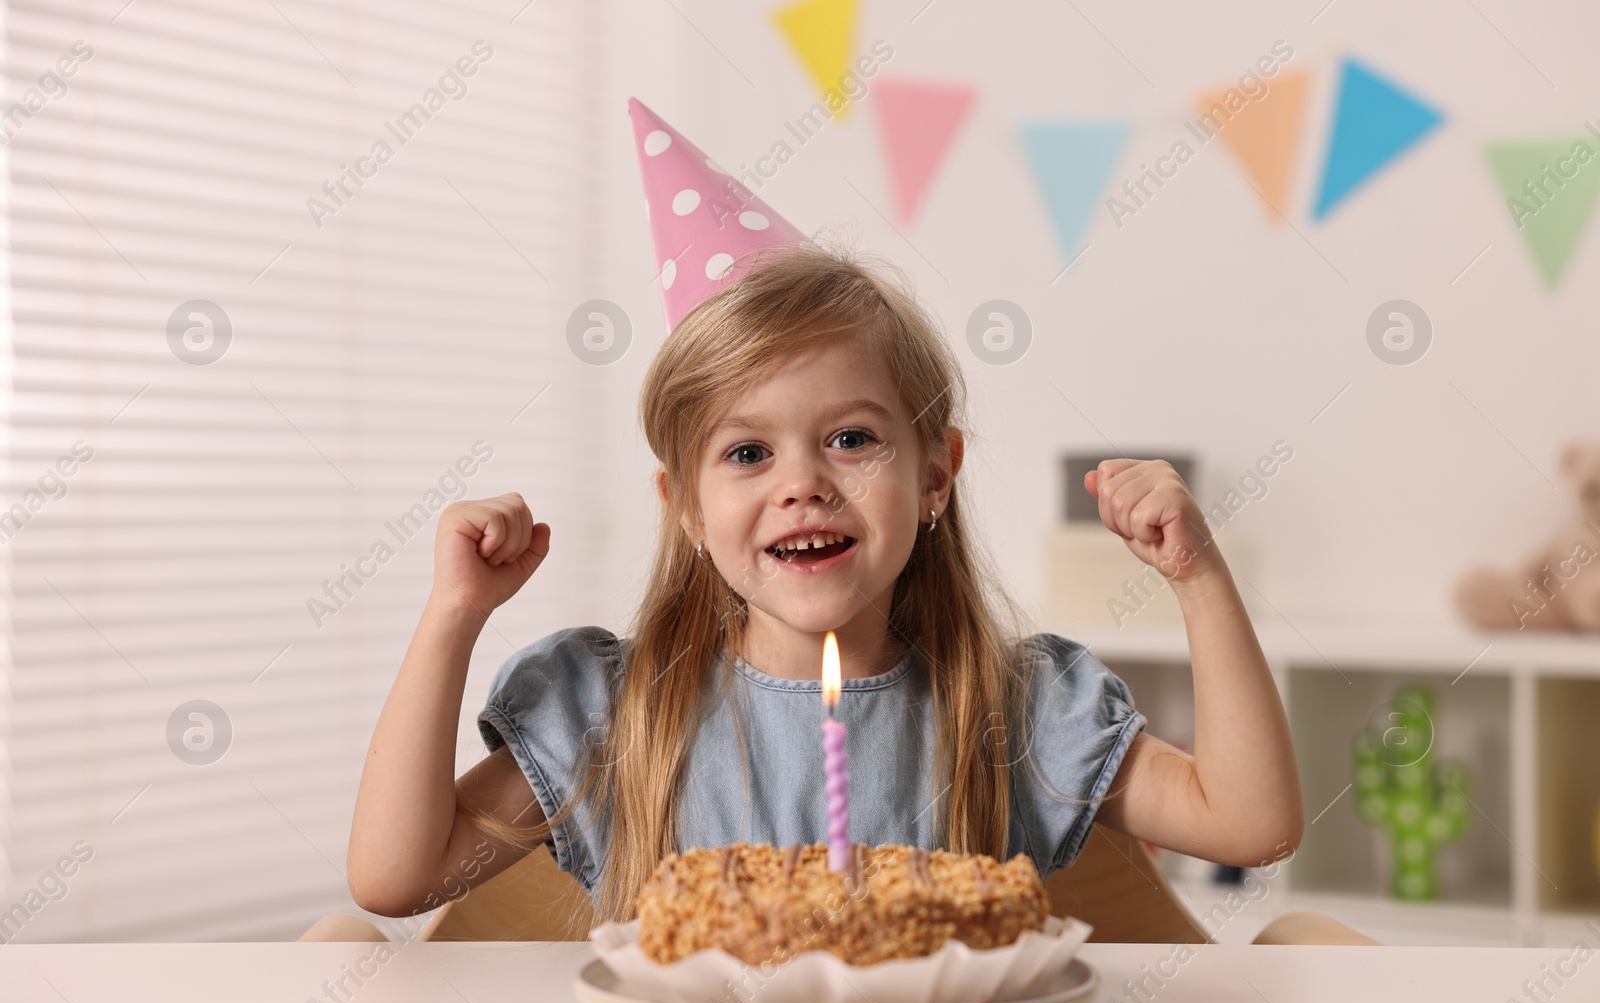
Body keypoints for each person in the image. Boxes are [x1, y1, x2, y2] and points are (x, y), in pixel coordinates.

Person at [346, 241, 1304, 926]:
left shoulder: (1015, 707)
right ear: (685, 507)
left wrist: (1198, 576)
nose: (802, 481)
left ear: (934, 474)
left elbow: (1251, 823)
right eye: (748, 450)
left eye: (851, 438)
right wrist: (453, 616)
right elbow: (396, 879)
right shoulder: (608, 709)